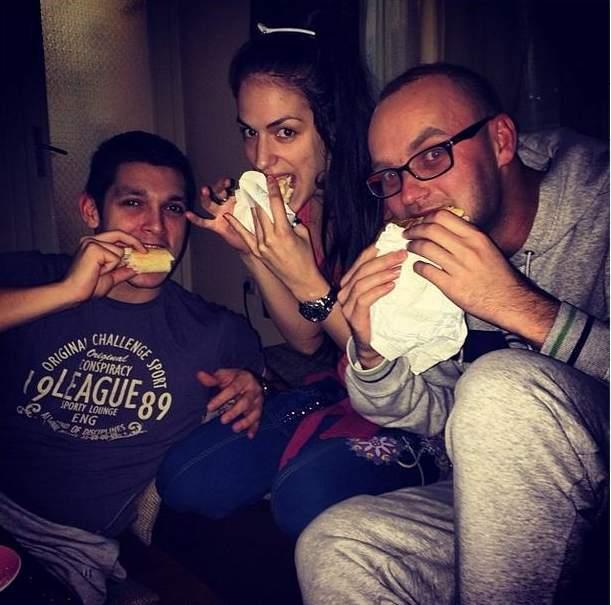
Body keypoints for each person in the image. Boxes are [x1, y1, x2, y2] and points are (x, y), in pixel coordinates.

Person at [296, 62, 609, 604]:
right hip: (511, 495)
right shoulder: (428, 263)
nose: (409, 196)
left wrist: (517, 306)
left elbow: (501, 397)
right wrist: (372, 353)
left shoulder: (601, 200)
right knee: (335, 545)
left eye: (431, 156)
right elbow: (443, 411)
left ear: (501, 141)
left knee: (501, 386)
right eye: (389, 176)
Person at [156, 19, 446, 539]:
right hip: (343, 384)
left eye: (284, 132)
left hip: (417, 403)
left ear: (332, 128)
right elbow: (306, 338)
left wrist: (305, 278)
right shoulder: (306, 207)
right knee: (182, 479)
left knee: (301, 496)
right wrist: (254, 252)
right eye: (250, 131)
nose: (260, 159)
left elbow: (388, 362)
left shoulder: (396, 206)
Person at [0, 130, 265, 604]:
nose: (156, 228)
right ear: (91, 211)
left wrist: (255, 386)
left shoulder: (215, 332)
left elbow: (278, 371)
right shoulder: (33, 278)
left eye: (173, 208)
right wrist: (65, 294)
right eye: (133, 203)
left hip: (65, 553)